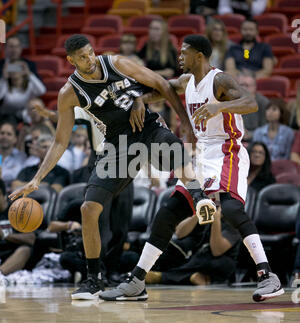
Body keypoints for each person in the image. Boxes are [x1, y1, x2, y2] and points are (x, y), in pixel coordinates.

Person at [8, 34, 216, 300]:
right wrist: (37, 179)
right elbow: (60, 141)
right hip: (117, 144)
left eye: (91, 52)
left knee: (173, 148)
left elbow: (161, 83)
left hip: (147, 128)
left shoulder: (115, 63)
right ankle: (94, 279)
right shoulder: (68, 93)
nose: (90, 59)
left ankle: (199, 198)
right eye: (82, 57)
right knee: (88, 208)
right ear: (71, 61)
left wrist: (183, 121)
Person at [100, 35, 284, 303]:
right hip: (201, 155)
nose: (180, 57)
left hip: (226, 150)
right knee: (168, 213)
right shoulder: (187, 82)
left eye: (184, 53)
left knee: (231, 209)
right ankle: (137, 281)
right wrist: (139, 99)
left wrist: (219, 106)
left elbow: (250, 103)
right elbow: (162, 88)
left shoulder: (219, 80)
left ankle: (268, 276)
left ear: (199, 55)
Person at [145, 207, 241, 286]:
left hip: (216, 260)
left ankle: (161, 277)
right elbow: (179, 233)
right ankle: (195, 277)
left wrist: (216, 220)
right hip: (195, 257)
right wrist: (197, 214)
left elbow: (216, 250)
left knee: (210, 261)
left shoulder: (233, 219)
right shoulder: (206, 209)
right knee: (169, 249)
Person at [0, 179, 35, 283]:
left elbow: (31, 239)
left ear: (4, 195)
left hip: (13, 252)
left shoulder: (18, 210)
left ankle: (0, 274)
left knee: (25, 250)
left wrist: (4, 235)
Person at [236, 69, 269, 143]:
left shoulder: (263, 103)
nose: (244, 88)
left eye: (247, 85)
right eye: (241, 85)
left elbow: (266, 129)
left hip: (256, 142)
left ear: (254, 87)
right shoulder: (230, 102)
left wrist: (250, 134)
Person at [0, 119, 27, 191]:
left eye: (9, 134)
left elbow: (16, 175)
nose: (4, 136)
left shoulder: (21, 156)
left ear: (15, 139)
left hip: (11, 195)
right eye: (2, 133)